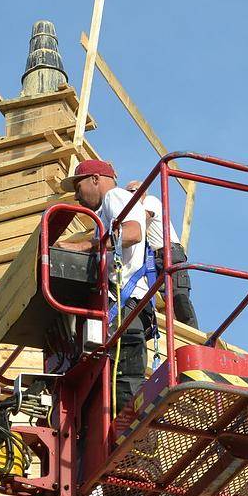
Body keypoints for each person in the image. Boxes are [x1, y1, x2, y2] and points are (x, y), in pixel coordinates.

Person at [58, 159, 151, 414]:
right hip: (123, 307)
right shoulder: (105, 213)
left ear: (96, 179)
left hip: (125, 305)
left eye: (78, 187)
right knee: (112, 383)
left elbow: (132, 233)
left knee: (123, 384)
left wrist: (83, 246)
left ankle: (134, 442)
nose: (76, 196)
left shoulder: (115, 197)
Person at [126, 180, 199, 329]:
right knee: (163, 300)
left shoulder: (149, 201)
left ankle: (193, 335)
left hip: (170, 253)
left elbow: (143, 217)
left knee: (179, 297)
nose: (129, 198)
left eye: (131, 193)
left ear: (141, 191)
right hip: (156, 258)